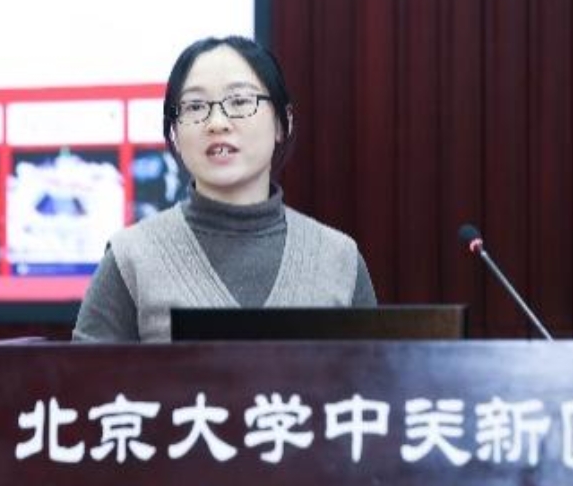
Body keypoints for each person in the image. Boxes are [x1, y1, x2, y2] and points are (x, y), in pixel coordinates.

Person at [73, 35, 376, 342]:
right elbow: (82, 373)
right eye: (195, 106)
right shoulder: (131, 258)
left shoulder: (339, 259)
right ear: (174, 131)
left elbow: (374, 371)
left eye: (240, 101)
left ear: (282, 122)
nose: (217, 123)